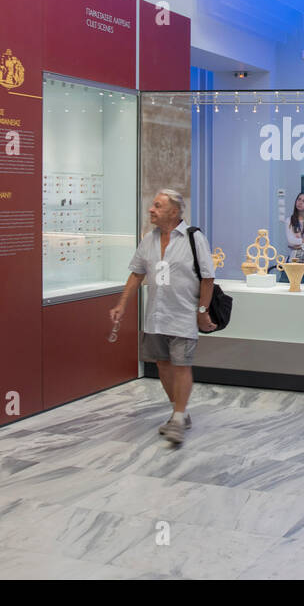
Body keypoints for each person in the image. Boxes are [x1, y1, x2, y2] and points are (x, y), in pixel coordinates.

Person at [111, 189, 216, 445]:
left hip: (183, 315)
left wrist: (202, 311)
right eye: (152, 205)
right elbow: (137, 274)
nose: (151, 210)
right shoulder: (148, 239)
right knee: (163, 364)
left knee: (181, 365)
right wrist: (122, 305)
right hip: (156, 317)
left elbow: (208, 277)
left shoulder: (194, 238)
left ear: (174, 211)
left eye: (157, 206)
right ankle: (179, 410)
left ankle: (178, 418)